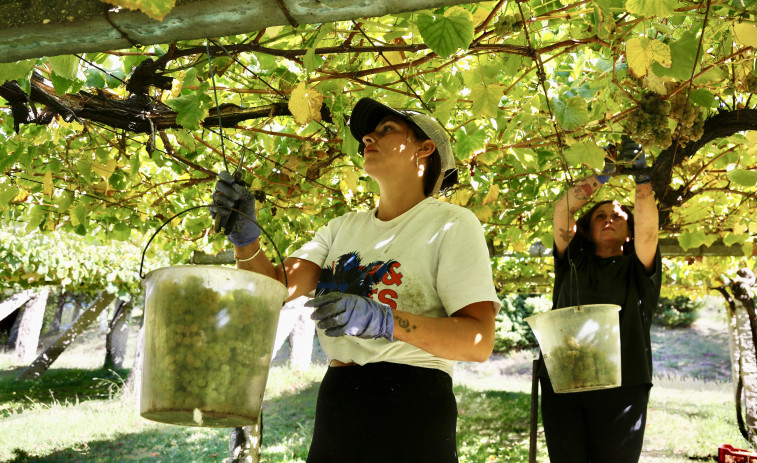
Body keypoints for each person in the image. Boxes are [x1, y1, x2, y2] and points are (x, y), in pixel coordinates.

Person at [211, 97, 501, 463]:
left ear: (424, 149)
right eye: (367, 133)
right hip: (339, 400)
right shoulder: (341, 228)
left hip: (412, 404)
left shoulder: (453, 224)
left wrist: (385, 321)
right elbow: (271, 289)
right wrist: (245, 238)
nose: (368, 138)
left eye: (386, 129)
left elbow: (478, 342)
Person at [539, 135, 662, 463]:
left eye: (618, 216)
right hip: (564, 383)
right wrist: (603, 175)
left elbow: (650, 232)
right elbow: (562, 208)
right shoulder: (572, 263)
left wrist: (642, 178)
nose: (609, 219)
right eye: (600, 216)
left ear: (630, 231)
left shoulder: (639, 271)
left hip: (624, 389)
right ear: (587, 229)